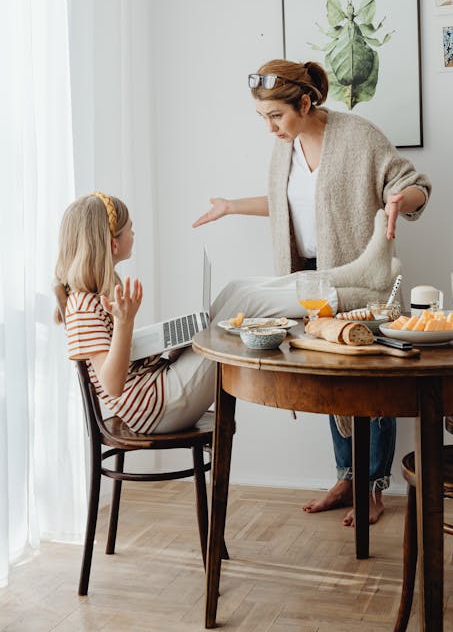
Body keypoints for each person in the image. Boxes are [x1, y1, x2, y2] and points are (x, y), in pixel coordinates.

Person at [193, 59, 431, 526]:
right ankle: (346, 477)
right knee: (329, 377)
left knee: (371, 380)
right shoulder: (284, 151)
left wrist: (399, 201)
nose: (269, 128)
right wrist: (231, 207)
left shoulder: (359, 137)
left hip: (363, 280)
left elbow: (413, 184)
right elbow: (286, 205)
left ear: (305, 102)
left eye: (275, 116)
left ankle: (374, 487)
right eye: (262, 118)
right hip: (311, 279)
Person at [54, 192, 215, 434]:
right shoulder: (83, 307)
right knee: (233, 314)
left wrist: (162, 344)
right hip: (156, 407)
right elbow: (112, 385)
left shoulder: (91, 298)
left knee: (225, 312)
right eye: (131, 229)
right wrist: (124, 322)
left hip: (156, 391)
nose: (134, 234)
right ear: (113, 243)